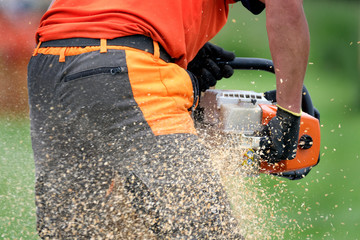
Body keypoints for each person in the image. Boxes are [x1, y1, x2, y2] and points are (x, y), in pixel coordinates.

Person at [27, 0, 310, 238]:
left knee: (80, 229)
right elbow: (284, 5)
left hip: (47, 65)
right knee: (208, 229)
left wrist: (177, 50)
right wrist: (288, 115)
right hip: (122, 67)